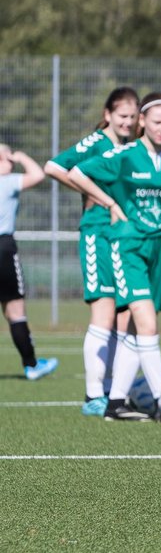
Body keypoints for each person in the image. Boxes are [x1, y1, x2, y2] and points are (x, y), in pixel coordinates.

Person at [68, 92, 161, 421]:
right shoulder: (126, 155)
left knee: (133, 328)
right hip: (127, 246)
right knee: (147, 322)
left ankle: (116, 403)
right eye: (157, 122)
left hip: (158, 248)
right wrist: (111, 204)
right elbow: (76, 173)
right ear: (142, 121)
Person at [44, 87, 140, 414]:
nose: (127, 122)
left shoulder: (132, 149)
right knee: (103, 312)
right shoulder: (97, 142)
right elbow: (55, 167)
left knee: (124, 315)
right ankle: (92, 396)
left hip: (124, 238)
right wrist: (98, 196)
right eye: (122, 116)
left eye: (132, 116)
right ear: (108, 115)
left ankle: (114, 391)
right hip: (97, 232)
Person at [0, 145, 59, 381]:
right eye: (7, 158)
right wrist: (22, 156)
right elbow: (38, 174)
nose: (11, 162)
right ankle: (31, 365)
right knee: (15, 311)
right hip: (2, 248)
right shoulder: (8, 181)